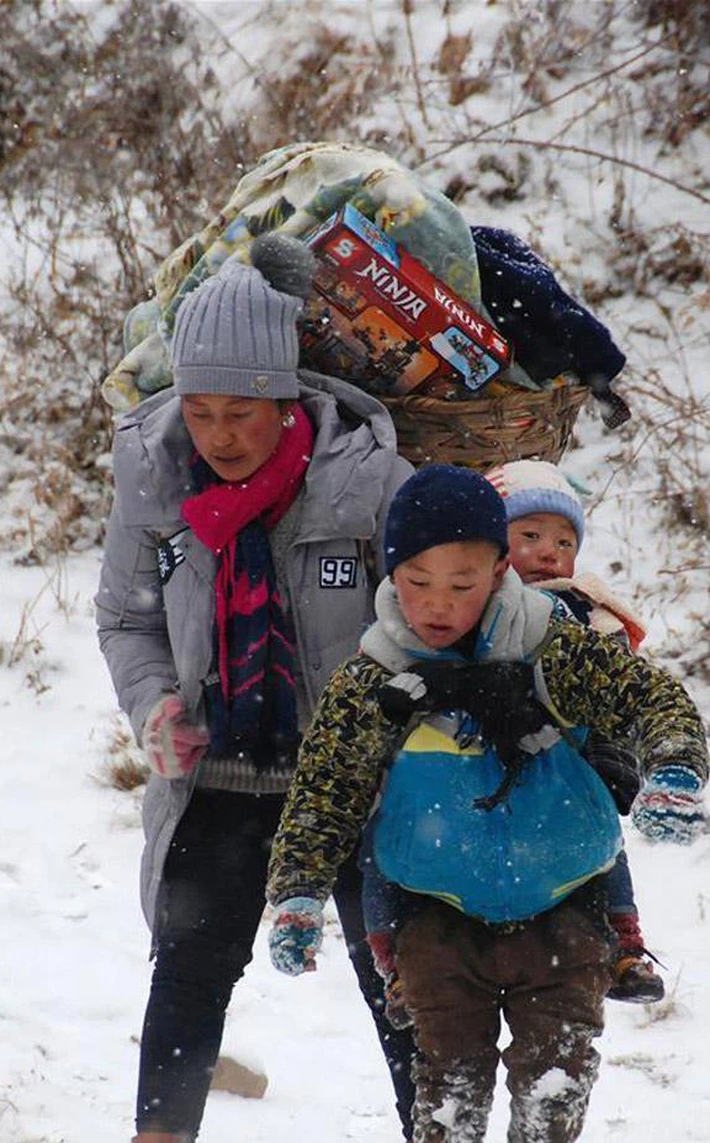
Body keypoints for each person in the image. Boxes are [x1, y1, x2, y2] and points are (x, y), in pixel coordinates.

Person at [265, 464, 708, 1143]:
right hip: (435, 920)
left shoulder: (551, 646)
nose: (438, 604)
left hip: (565, 904)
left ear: (501, 571)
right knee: (446, 1093)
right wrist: (297, 890)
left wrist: (674, 762)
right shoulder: (376, 676)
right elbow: (326, 789)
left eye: (462, 585)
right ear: (391, 573)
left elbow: (648, 696)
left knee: (554, 1087)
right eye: (417, 583)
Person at [95, 232, 416, 1143]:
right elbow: (125, 617)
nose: (220, 435)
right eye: (200, 411)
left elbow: (434, 619)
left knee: (403, 985)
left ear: (287, 399)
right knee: (188, 975)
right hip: (219, 782)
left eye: (243, 410)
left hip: (354, 790)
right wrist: (154, 704)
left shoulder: (369, 485)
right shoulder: (153, 481)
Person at [487, 458, 664, 1002]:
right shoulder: (470, 603)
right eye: (530, 535)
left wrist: (615, 760)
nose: (549, 551)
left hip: (571, 760)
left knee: (603, 850)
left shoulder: (589, 614)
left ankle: (624, 943)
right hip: (484, 761)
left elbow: (619, 698)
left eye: (564, 541)